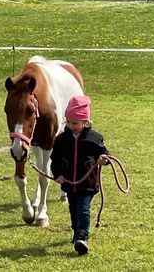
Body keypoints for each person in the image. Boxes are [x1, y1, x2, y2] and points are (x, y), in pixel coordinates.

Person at [50, 95, 109, 256]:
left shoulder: (95, 138)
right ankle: (76, 232)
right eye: (68, 122)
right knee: (73, 209)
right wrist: (58, 174)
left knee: (83, 209)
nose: (71, 125)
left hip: (87, 184)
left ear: (85, 122)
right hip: (70, 183)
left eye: (75, 123)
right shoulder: (61, 140)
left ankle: (82, 236)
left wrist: (104, 160)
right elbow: (54, 159)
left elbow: (105, 154)